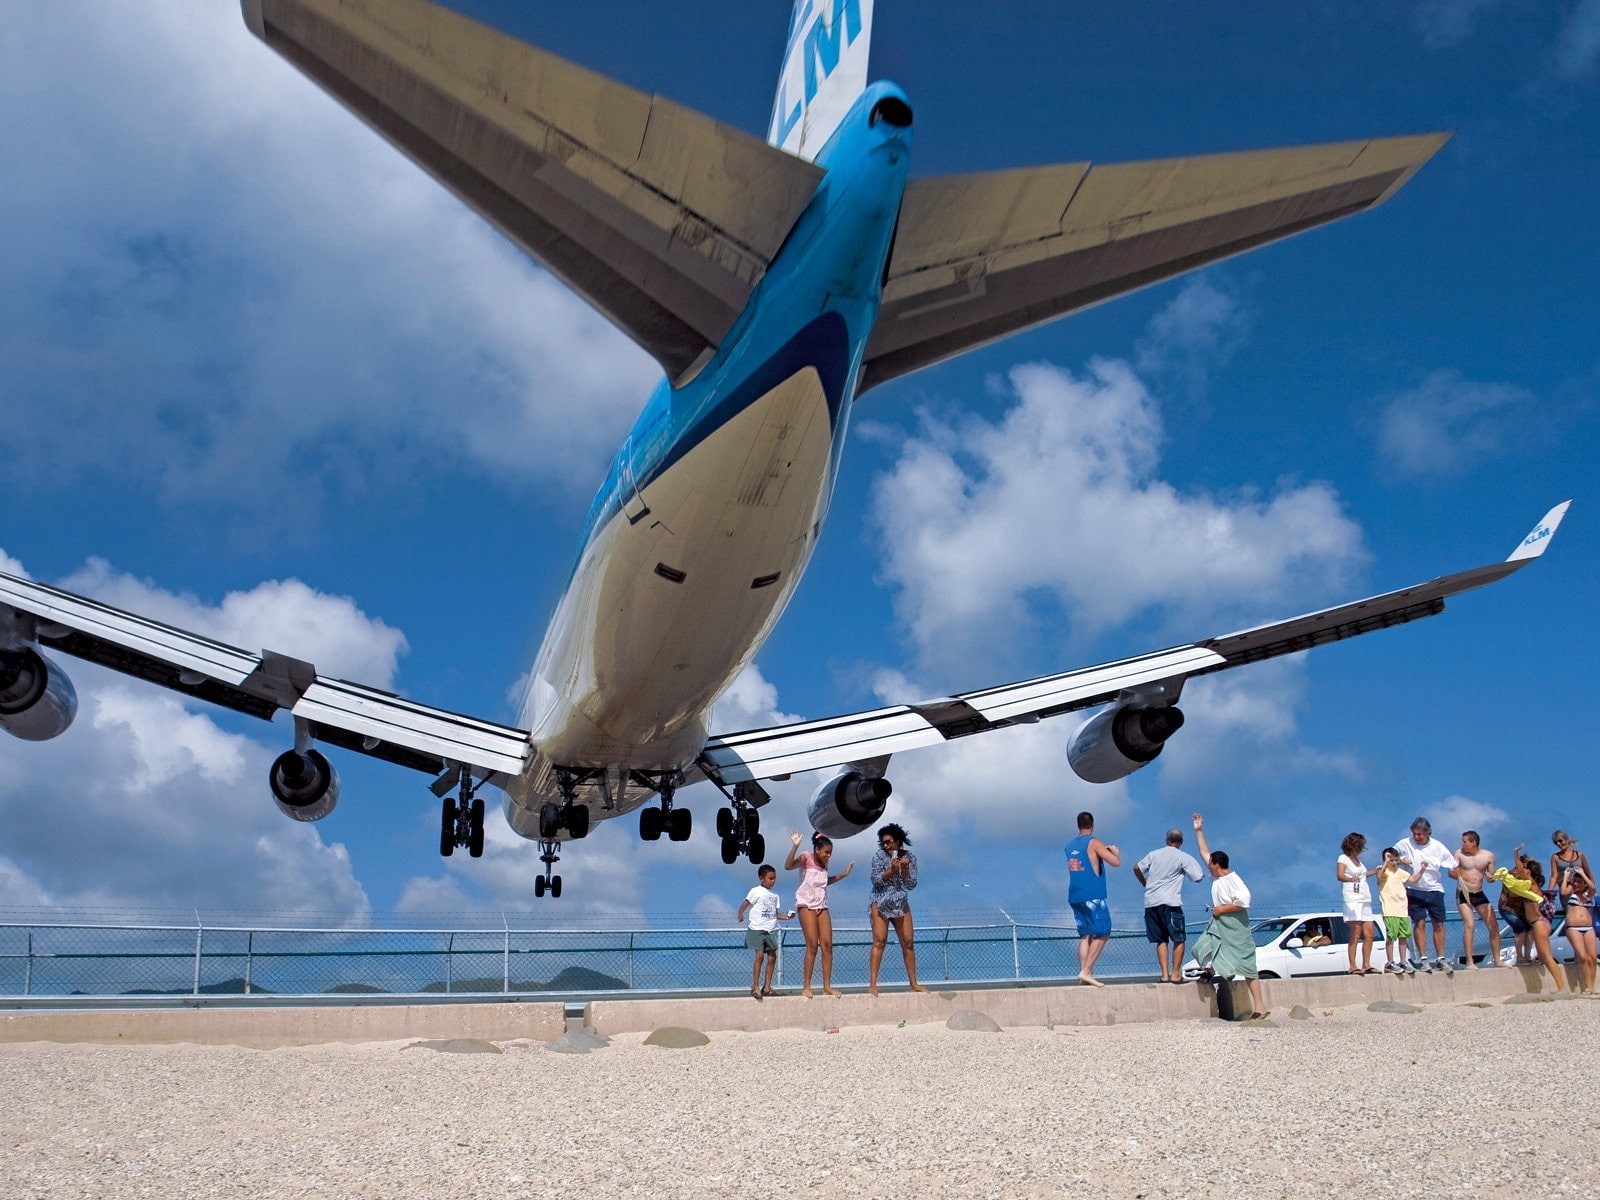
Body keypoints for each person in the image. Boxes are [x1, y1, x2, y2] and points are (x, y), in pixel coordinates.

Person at [1189, 812, 1267, 1019]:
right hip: (1218, 924)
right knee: (1201, 948)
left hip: (1235, 925)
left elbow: (1244, 901)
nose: (1208, 866)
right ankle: (1211, 971)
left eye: (1210, 864)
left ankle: (1260, 1006)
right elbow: (1204, 851)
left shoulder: (1233, 879)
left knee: (1248, 965)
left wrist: (1222, 909)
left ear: (1217, 864)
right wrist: (1199, 830)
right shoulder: (1216, 878)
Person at [785, 830, 853, 997]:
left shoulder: (824, 864)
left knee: (827, 945)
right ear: (817, 849)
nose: (829, 855)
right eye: (826, 852)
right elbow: (788, 866)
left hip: (822, 905)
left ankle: (827, 986)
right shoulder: (806, 857)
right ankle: (806, 986)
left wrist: (843, 875)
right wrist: (795, 846)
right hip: (806, 905)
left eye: (830, 853)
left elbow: (823, 882)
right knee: (812, 946)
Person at [1133, 828, 1204, 983]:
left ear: (1166, 840)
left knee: (1161, 939)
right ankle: (1175, 974)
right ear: (1181, 842)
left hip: (1151, 902)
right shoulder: (1183, 857)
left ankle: (1164, 974)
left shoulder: (1154, 854)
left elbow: (1137, 868)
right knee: (1178, 938)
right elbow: (1197, 877)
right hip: (1171, 902)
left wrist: (1144, 882)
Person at [1492, 847, 1565, 993]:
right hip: (1538, 923)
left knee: (1546, 957)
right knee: (1544, 957)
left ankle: (1562, 988)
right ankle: (1560, 987)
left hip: (1539, 923)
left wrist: (1515, 854)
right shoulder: (1529, 884)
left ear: (1528, 871)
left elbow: (1520, 869)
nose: (1520, 870)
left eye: (1524, 869)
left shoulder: (1530, 882)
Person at [867, 822, 927, 995]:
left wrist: (905, 869)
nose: (886, 845)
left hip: (900, 902)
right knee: (879, 941)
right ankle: (872, 984)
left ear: (898, 841)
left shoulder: (910, 857)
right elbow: (876, 880)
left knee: (908, 942)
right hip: (880, 901)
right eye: (883, 842)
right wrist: (890, 871)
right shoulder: (879, 856)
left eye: (889, 842)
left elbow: (911, 884)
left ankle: (914, 983)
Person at [1394, 817, 1458, 974]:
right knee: (1419, 923)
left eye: (1420, 834)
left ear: (1427, 833)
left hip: (1434, 889)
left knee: (1438, 923)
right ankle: (1423, 959)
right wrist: (1402, 861)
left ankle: (1441, 958)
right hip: (1413, 888)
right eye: (1415, 834)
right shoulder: (1404, 844)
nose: (1417, 837)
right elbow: (1390, 858)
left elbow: (1452, 866)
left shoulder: (1438, 846)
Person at [1064, 811, 1121, 987]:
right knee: (1103, 932)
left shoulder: (1069, 845)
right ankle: (1086, 970)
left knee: (1085, 935)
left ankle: (1084, 974)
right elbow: (1115, 862)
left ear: (1078, 824)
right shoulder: (1094, 842)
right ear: (1093, 824)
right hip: (1093, 895)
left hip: (1075, 895)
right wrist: (1115, 852)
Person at [737, 864, 794, 1000]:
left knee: (772, 956)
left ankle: (767, 987)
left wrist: (786, 917)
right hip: (757, 928)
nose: (773, 881)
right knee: (760, 956)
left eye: (774, 878)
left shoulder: (775, 896)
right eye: (770, 878)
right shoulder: (756, 891)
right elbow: (745, 903)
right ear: (762, 878)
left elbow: (774, 913)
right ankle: (755, 986)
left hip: (770, 929)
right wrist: (740, 914)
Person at [1453, 830, 1501, 969]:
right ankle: (1470, 962)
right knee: (1470, 925)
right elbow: (1452, 872)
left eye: (1465, 841)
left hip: (1478, 893)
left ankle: (1497, 960)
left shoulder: (1488, 856)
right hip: (1463, 893)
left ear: (1473, 843)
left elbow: (1491, 877)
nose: (1462, 844)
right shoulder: (1459, 854)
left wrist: (1490, 877)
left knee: (1493, 925)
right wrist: (1465, 876)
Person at [1336, 833, 1378, 974]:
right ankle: (1353, 965)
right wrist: (1349, 879)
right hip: (1352, 899)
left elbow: (1363, 875)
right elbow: (1340, 875)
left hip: (1364, 898)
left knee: (1369, 932)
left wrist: (1377, 870)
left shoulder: (1358, 861)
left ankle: (1366, 963)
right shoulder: (1343, 858)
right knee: (1355, 932)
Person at [1376, 846, 1416, 974]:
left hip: (1402, 909)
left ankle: (1403, 961)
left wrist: (1423, 869)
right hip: (1389, 909)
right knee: (1390, 936)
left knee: (1403, 936)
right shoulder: (1383, 870)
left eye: (1394, 860)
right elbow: (1379, 877)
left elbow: (1413, 880)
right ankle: (1390, 961)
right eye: (1390, 860)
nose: (1392, 862)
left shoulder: (1400, 872)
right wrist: (1385, 863)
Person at [1559, 864, 1596, 993]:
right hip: (1573, 927)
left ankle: (1592, 986)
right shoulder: (1571, 894)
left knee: (1592, 957)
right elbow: (1563, 891)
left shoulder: (1589, 894)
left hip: (1588, 927)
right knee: (1583, 956)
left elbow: (1592, 887)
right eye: (1575, 881)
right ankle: (1588, 986)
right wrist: (1566, 876)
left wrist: (1583, 874)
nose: (1576, 884)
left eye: (1579, 882)